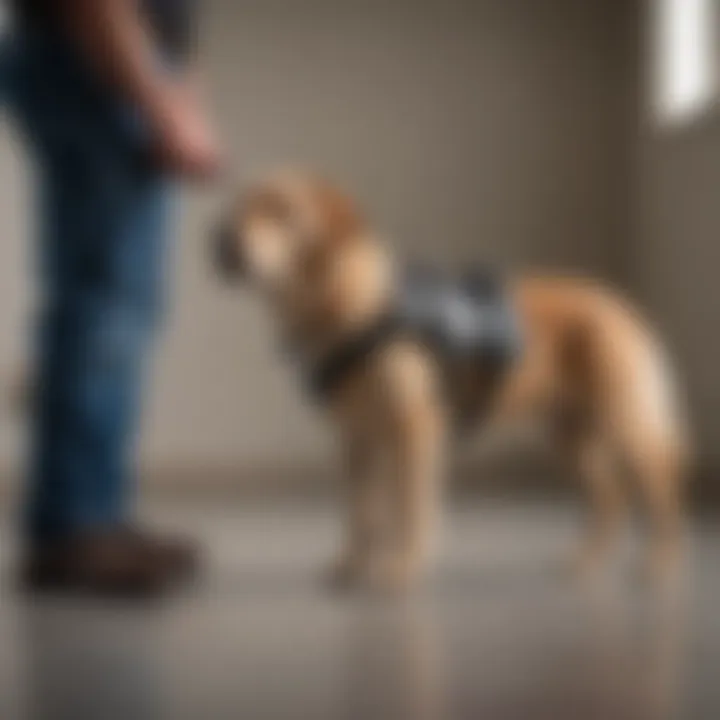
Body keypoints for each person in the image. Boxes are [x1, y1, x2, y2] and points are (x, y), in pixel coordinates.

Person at [2, 0, 221, 596]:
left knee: (111, 304)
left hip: (112, 61)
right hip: (96, 61)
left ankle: (93, 513)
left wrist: (179, 94)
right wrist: (162, 104)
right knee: (106, 310)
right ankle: (76, 528)